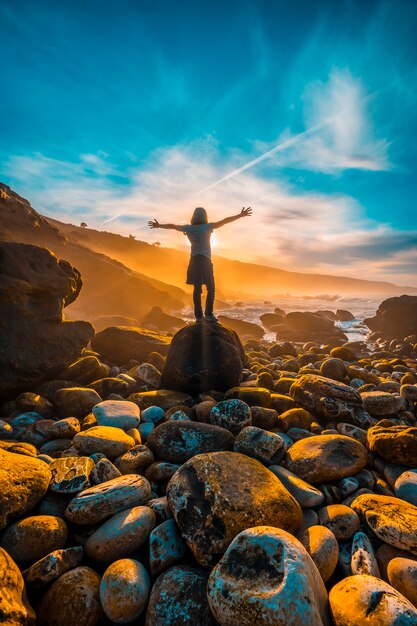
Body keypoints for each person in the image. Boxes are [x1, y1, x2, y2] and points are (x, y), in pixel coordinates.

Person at [148, 206, 252, 322]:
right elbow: (224, 221)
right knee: (211, 288)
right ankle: (208, 314)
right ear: (205, 216)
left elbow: (173, 226)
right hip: (205, 260)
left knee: (197, 289)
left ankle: (198, 317)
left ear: (193, 217)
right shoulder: (208, 227)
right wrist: (240, 215)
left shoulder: (188, 228)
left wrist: (159, 225)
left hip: (194, 261)